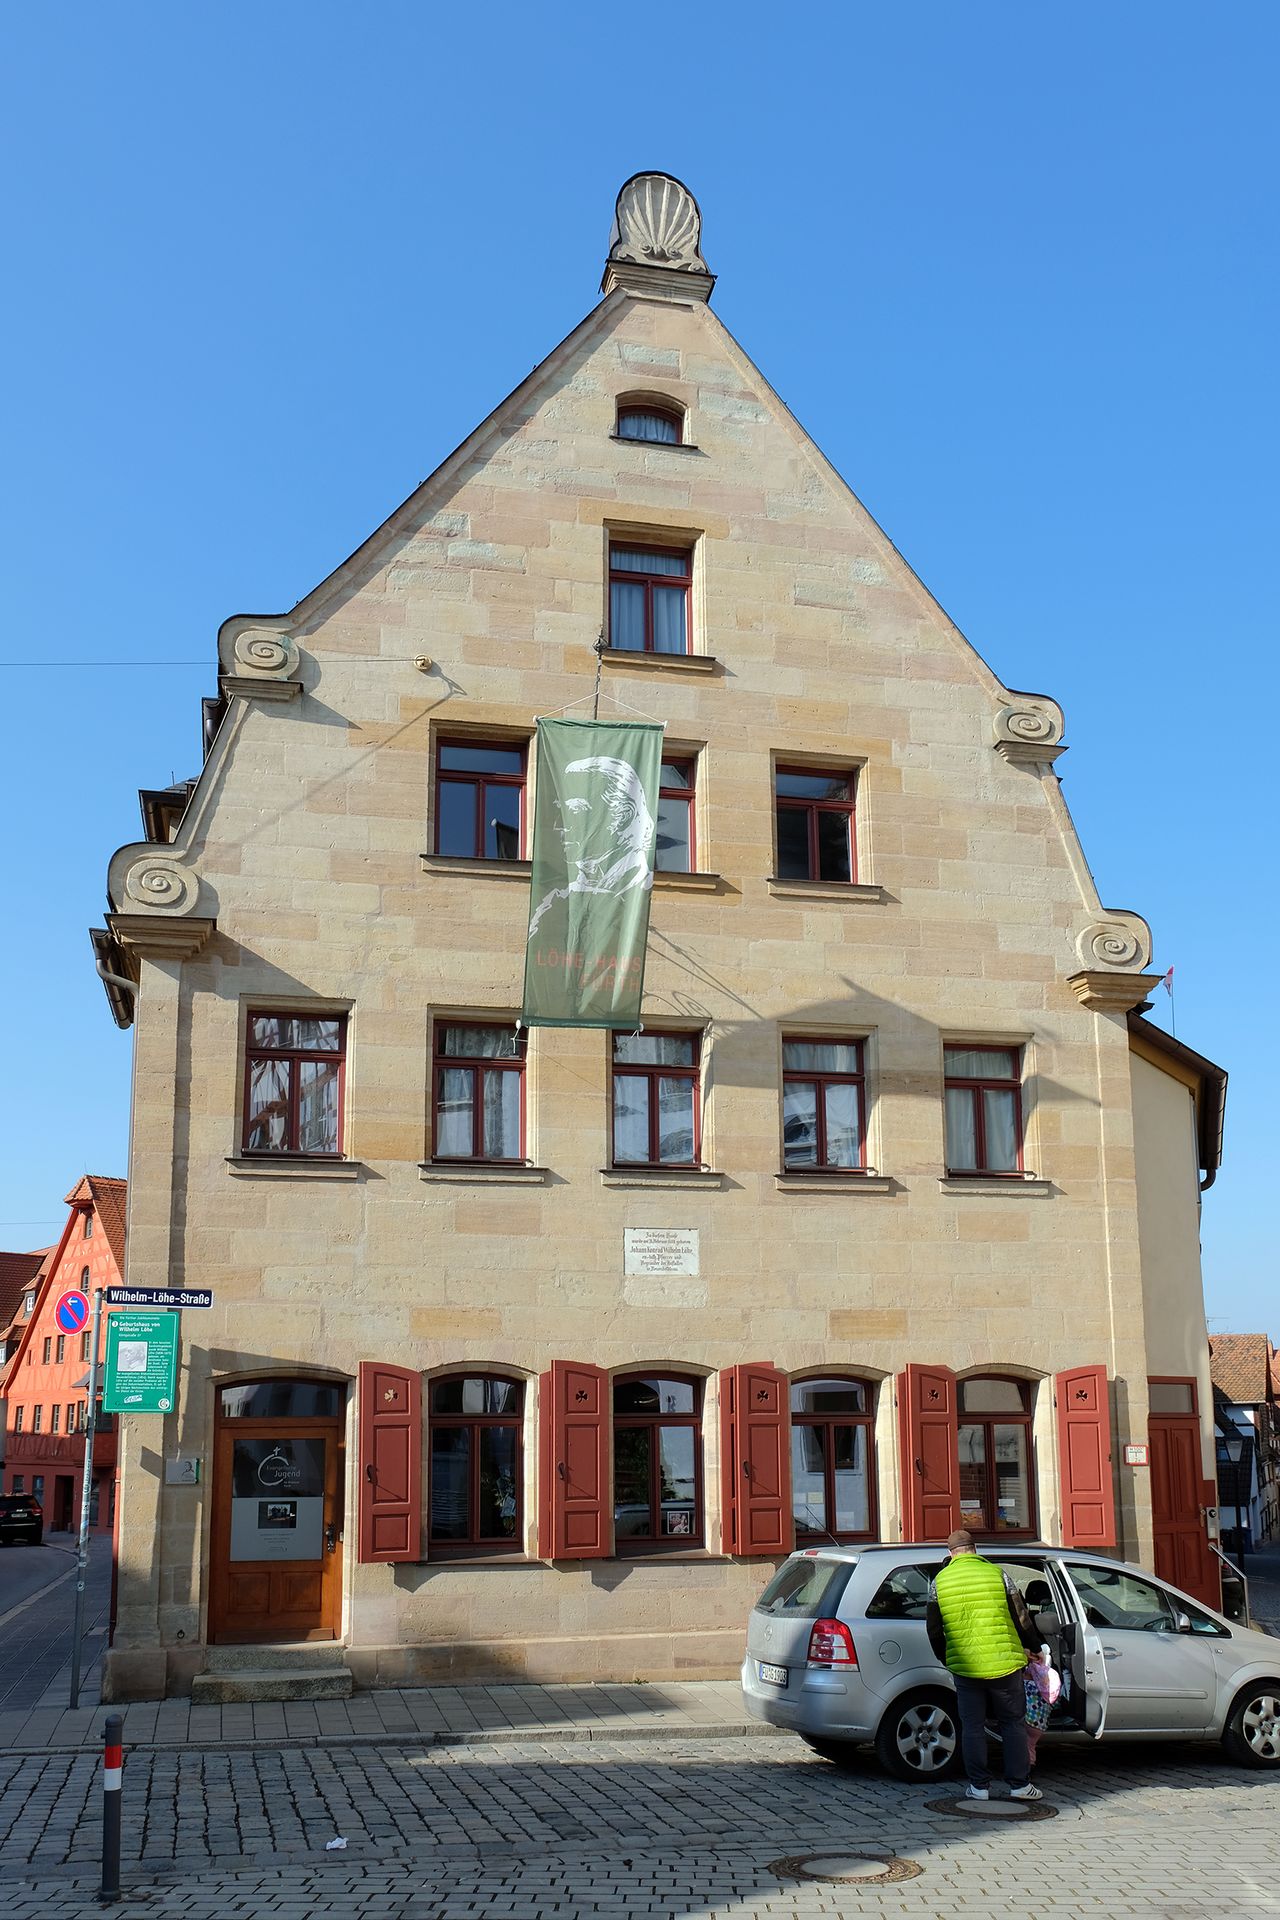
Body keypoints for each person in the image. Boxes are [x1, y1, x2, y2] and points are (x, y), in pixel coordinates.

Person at [925, 1528, 1043, 1801]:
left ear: (950, 1553)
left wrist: (946, 1657)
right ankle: (1019, 1785)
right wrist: (1036, 1647)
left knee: (973, 1726)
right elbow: (1021, 1616)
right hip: (1005, 1662)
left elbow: (933, 1629)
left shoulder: (939, 1582)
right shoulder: (998, 1574)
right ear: (975, 1549)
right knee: (1012, 1723)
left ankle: (979, 1787)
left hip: (965, 1667)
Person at [1023, 1643, 1061, 1768]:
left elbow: (1024, 1677)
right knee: (1031, 1744)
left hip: (1028, 1720)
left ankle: (1026, 1765)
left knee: (1025, 1744)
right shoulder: (1049, 1678)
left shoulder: (1031, 1673)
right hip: (1040, 1724)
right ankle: (1031, 1763)